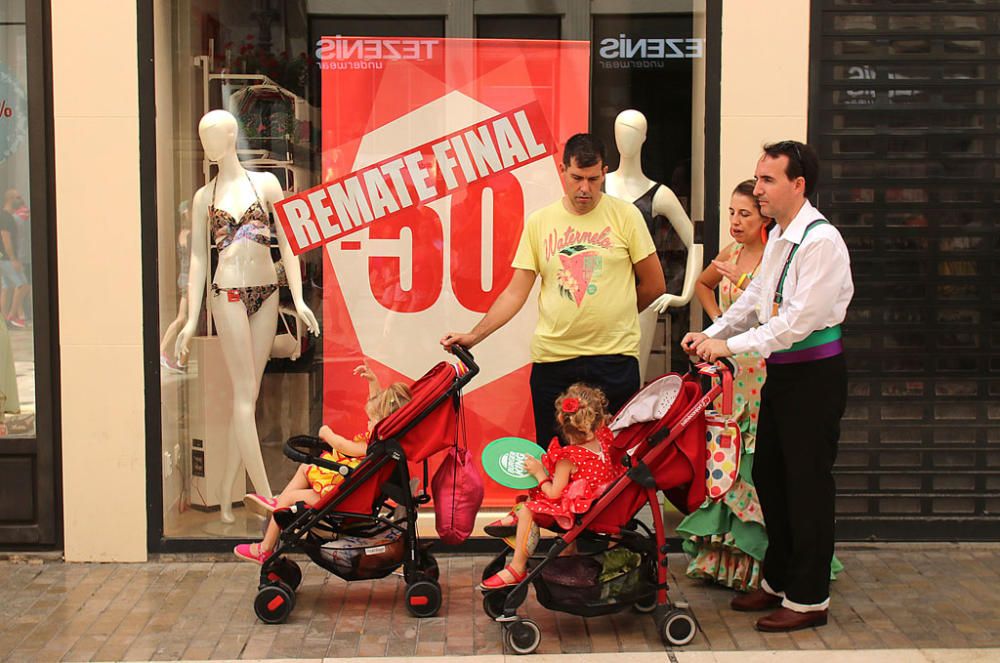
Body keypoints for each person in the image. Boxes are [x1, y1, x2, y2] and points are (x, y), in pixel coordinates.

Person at [682, 140, 853, 632]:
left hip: (815, 376)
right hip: (785, 373)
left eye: (768, 180)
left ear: (799, 185)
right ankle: (778, 580)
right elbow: (757, 296)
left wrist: (730, 349)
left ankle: (807, 599)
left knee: (807, 487)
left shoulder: (821, 242)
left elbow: (796, 321)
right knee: (771, 479)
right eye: (757, 179)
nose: (758, 189)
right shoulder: (780, 235)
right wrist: (711, 334)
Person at [441, 134, 666, 446]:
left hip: (613, 360)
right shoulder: (540, 222)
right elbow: (514, 293)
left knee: (614, 462)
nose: (584, 188)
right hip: (554, 361)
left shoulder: (626, 216)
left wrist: (615, 313)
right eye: (576, 178)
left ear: (604, 172)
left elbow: (654, 284)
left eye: (592, 178)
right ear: (562, 170)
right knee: (554, 460)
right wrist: (474, 336)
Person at [176, 109, 319, 522]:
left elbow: (289, 244)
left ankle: (225, 492)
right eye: (202, 136)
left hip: (268, 292)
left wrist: (299, 297)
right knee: (243, 395)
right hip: (229, 294)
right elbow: (199, 262)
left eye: (212, 135)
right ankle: (268, 498)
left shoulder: (267, 184)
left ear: (230, 135)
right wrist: (191, 319)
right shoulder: (206, 197)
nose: (207, 144)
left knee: (249, 396)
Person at [676, 180, 771, 591]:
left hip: (761, 368)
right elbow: (701, 283)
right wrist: (718, 321)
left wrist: (747, 287)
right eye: (731, 212)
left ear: (765, 217)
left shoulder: (774, 258)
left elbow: (780, 313)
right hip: (729, 364)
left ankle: (758, 563)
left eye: (744, 213)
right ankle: (719, 560)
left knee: (752, 457)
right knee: (725, 454)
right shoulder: (730, 253)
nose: (735, 221)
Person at [233, 362, 412, 564]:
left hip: (345, 499)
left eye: (371, 420)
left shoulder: (372, 446)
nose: (368, 423)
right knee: (305, 469)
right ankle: (278, 504)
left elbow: (343, 445)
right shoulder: (385, 440)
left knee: (291, 498)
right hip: (348, 491)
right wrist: (373, 382)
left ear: (382, 422)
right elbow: (378, 409)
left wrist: (327, 433)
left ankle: (264, 549)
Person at [479, 383, 621, 589]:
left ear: (561, 421)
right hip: (603, 505)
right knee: (548, 482)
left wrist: (538, 473)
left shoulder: (569, 458)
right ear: (599, 421)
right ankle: (534, 529)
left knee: (532, 502)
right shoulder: (605, 440)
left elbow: (553, 494)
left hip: (578, 513)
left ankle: (517, 568)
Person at [604, 109, 704, 379]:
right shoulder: (598, 185)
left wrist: (684, 294)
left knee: (633, 377)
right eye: (621, 129)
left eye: (634, 131)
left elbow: (695, 239)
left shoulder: (659, 194)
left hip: (642, 296)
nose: (626, 137)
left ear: (645, 137)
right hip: (599, 293)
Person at [159, 201, 191, 373]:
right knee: (183, 318)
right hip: (188, 280)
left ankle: (182, 362)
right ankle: (163, 351)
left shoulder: (183, 233)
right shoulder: (188, 234)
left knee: (185, 320)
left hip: (185, 278)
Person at [0, 199, 29, 329]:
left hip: (4, 258)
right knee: (23, 285)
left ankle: (5, 319)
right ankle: (11, 316)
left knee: (6, 288)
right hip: (7, 258)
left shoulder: (7, 217)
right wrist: (13, 258)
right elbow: (6, 238)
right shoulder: (7, 218)